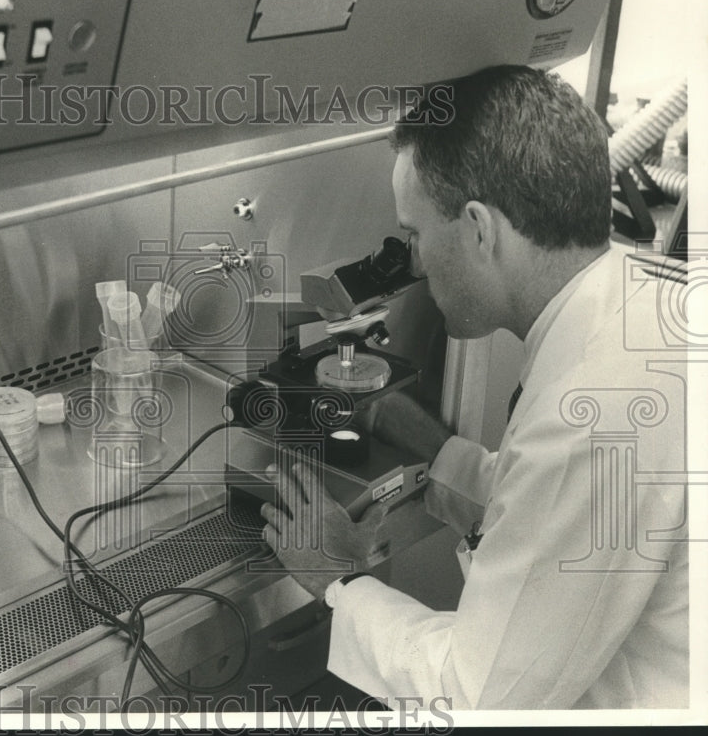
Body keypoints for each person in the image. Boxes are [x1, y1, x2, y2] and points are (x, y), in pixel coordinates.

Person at [260, 65, 688, 709]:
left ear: (480, 229)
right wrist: (439, 455)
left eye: (415, 235)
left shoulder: (591, 411)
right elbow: (548, 511)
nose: (415, 263)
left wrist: (339, 580)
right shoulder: (641, 304)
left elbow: (478, 696)